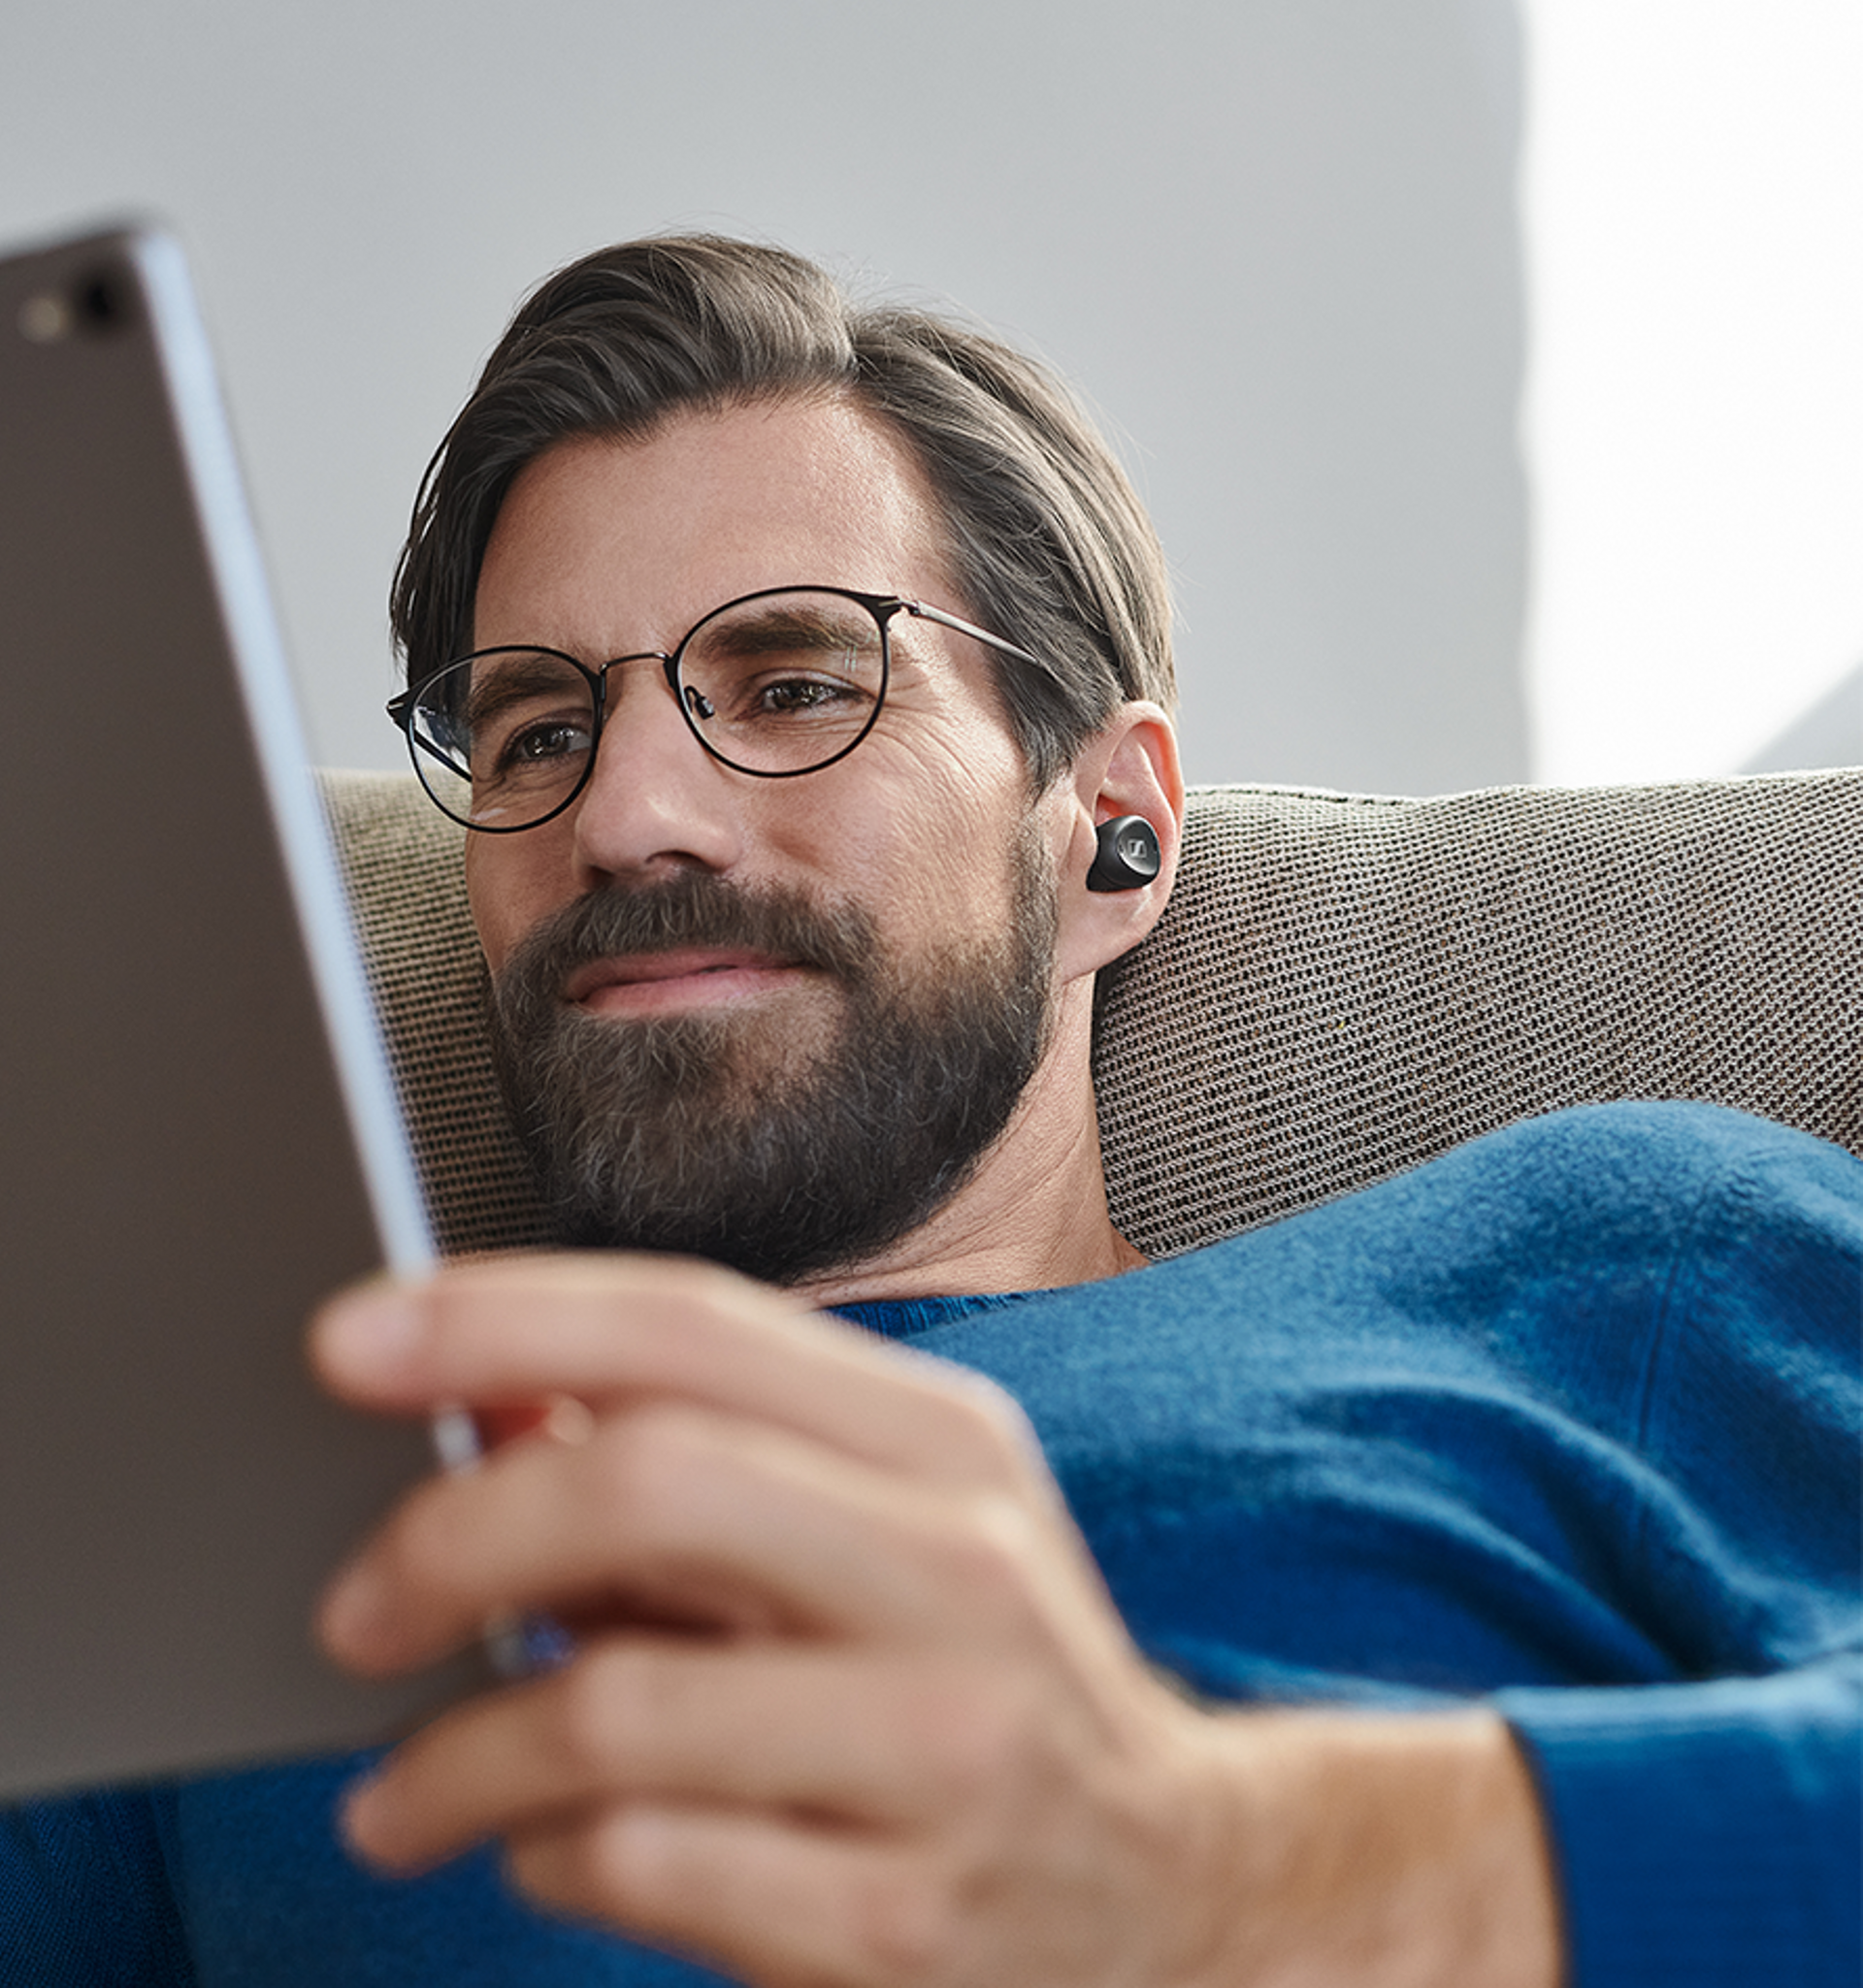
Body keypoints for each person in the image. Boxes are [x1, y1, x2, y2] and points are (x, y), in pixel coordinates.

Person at [5, 237, 1858, 1987]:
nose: (628, 815)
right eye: (536, 731)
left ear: (1112, 827)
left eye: (796, 683)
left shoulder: (1615, 1271)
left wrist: (1238, 1864)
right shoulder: (267, 1533)